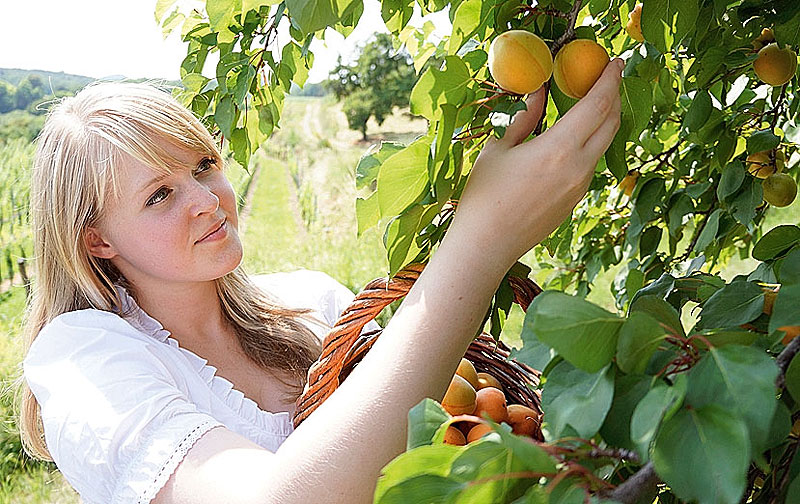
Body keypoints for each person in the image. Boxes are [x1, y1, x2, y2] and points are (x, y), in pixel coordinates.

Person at [17, 56, 624, 503]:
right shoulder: (81, 359)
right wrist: (479, 243)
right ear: (97, 240)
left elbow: (432, 428)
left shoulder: (314, 302)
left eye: (203, 166)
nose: (206, 200)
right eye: (159, 195)